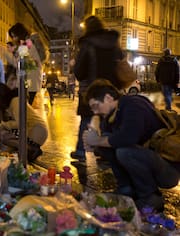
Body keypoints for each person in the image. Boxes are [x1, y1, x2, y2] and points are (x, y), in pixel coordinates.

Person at [82, 79, 180, 212]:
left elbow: (127, 137)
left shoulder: (133, 104)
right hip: (150, 160)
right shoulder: (112, 115)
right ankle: (126, 190)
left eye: (96, 106)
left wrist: (97, 141)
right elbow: (107, 141)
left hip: (168, 170)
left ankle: (150, 197)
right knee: (108, 146)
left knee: (124, 151)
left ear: (108, 98)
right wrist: (93, 144)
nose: (95, 112)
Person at [71, 15, 124, 161]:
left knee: (86, 120)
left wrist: (74, 65)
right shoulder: (113, 43)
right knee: (109, 121)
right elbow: (120, 62)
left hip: (91, 90)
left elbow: (79, 72)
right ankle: (105, 152)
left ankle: (81, 151)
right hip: (111, 90)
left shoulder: (87, 44)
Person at [0, 84, 48, 162]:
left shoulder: (15, 102)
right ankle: (27, 149)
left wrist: (4, 125)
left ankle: (30, 149)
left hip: (37, 131)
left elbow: (19, 123)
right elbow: (3, 126)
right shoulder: (9, 105)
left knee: (4, 135)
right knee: (4, 133)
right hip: (32, 130)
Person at [8, 23, 46, 105]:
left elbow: (23, 61)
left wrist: (11, 55)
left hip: (29, 80)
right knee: (25, 107)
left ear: (20, 34)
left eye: (15, 36)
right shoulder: (26, 43)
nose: (14, 39)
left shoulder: (27, 43)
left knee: (25, 108)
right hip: (28, 80)